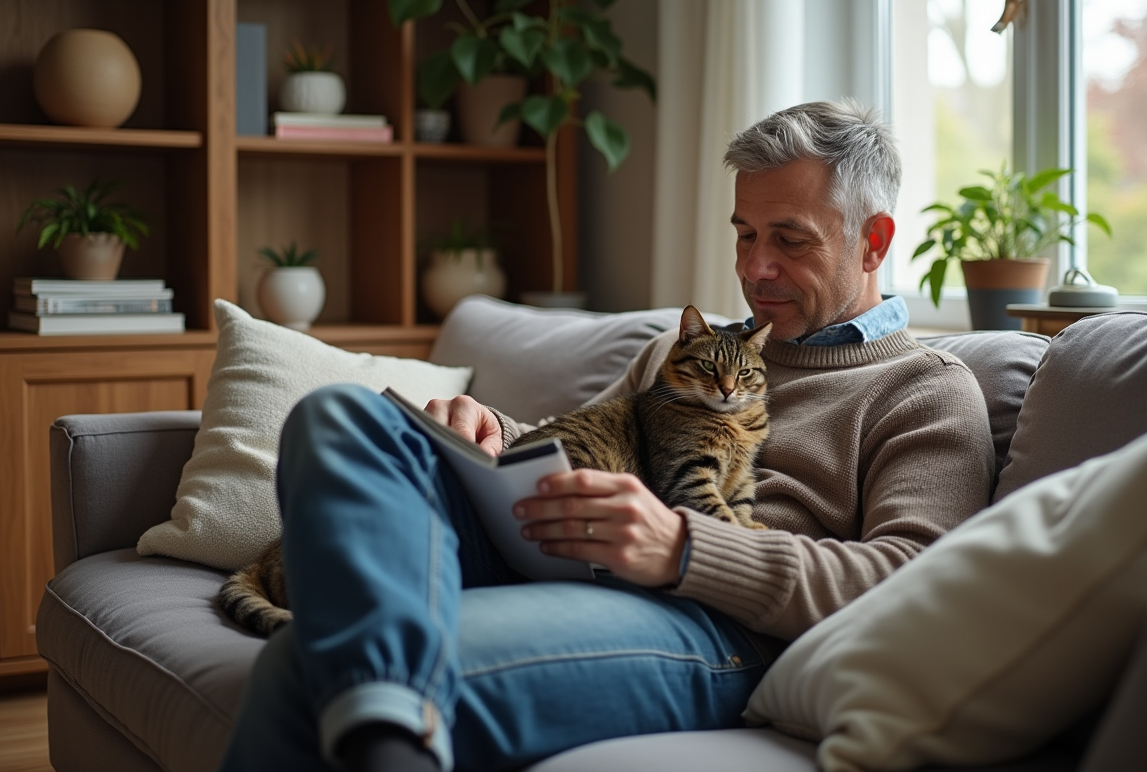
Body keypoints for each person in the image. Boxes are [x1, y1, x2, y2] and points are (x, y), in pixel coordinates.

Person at [220, 100, 994, 772]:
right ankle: (389, 690)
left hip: (716, 625)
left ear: (874, 240)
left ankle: (387, 708)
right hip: (562, 547)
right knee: (344, 418)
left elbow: (915, 583)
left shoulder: (926, 390)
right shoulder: (684, 352)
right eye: (744, 233)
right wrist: (496, 431)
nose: (755, 267)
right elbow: (590, 437)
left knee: (303, 664)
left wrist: (686, 547)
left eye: (789, 240)